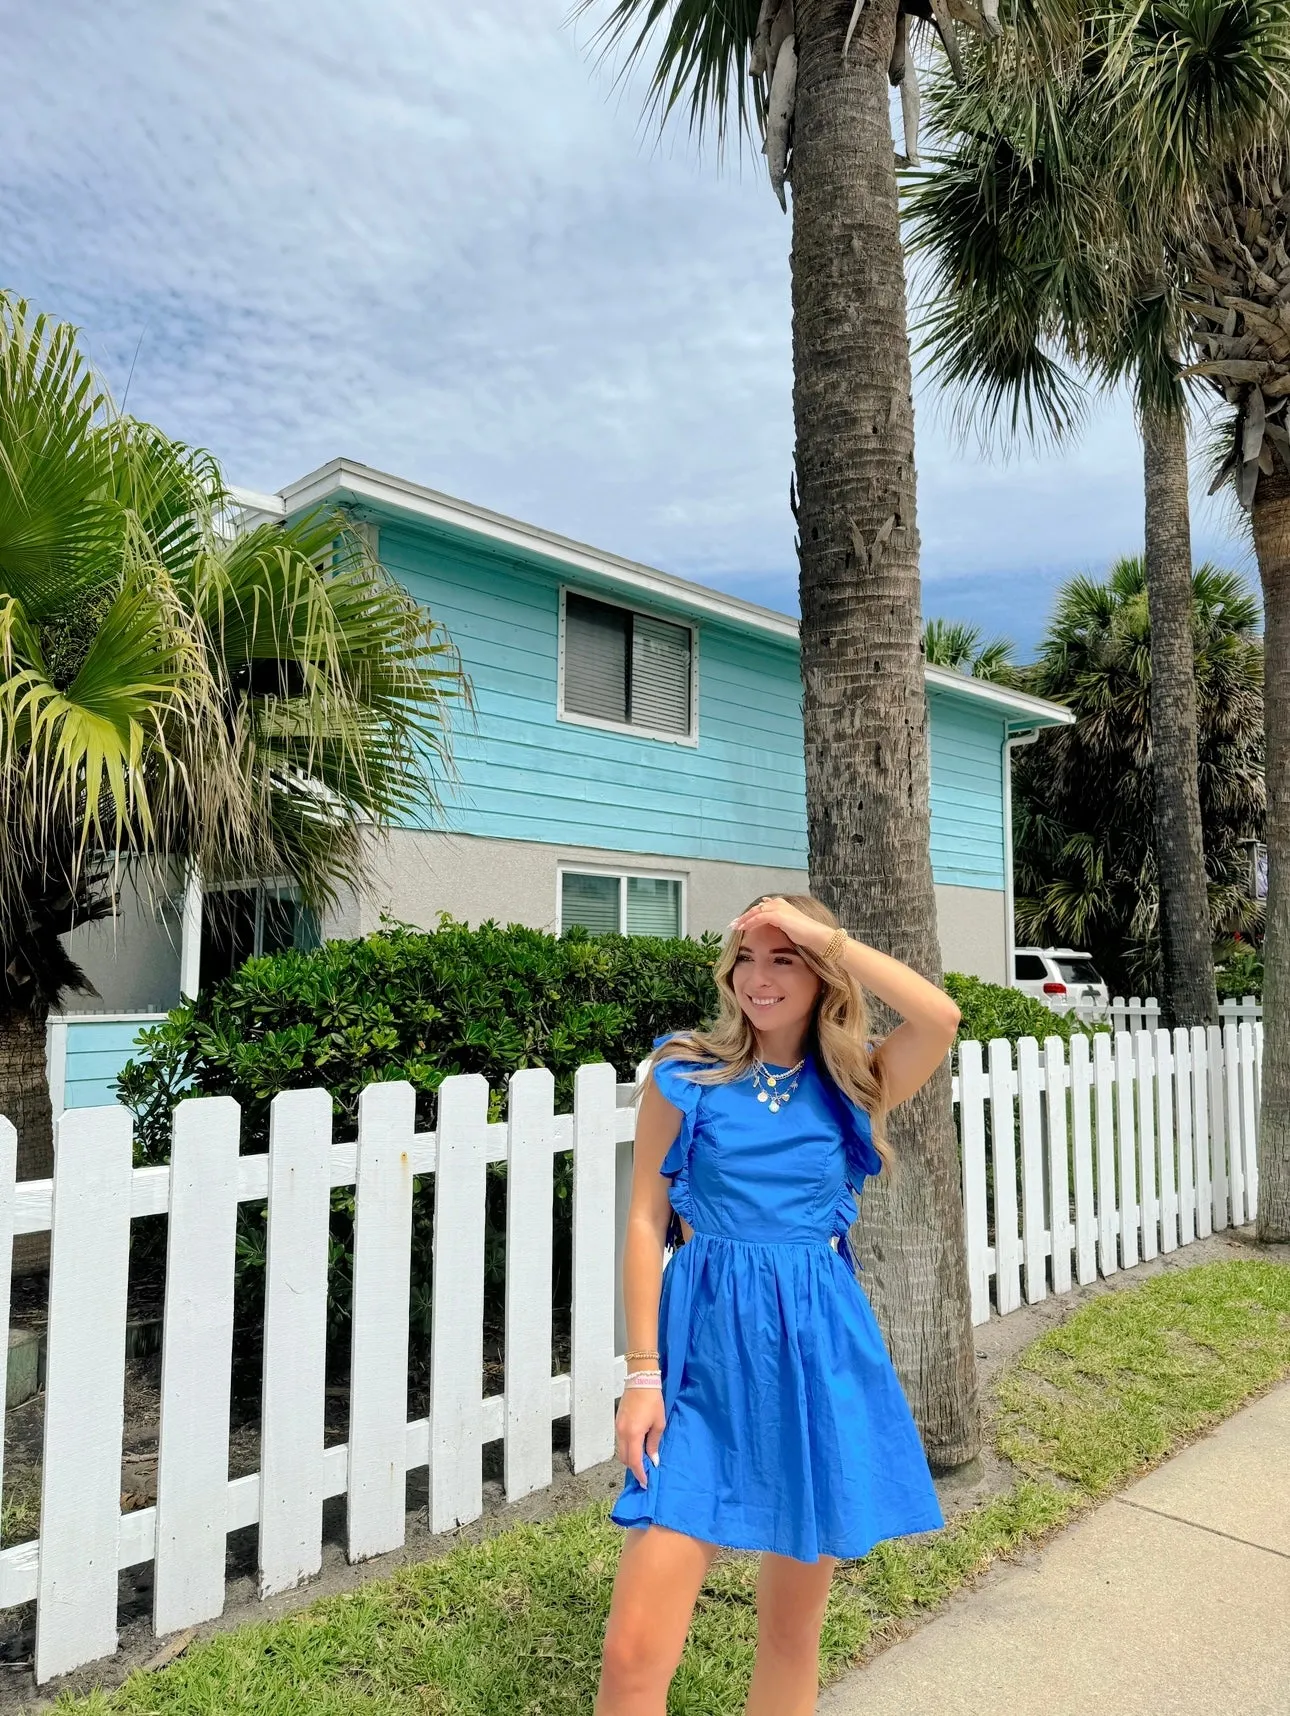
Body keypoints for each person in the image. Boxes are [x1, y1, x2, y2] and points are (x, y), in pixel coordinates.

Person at [594, 893, 962, 1716]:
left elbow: (939, 1017)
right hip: (700, 1364)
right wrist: (642, 1375)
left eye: (783, 957)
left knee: (792, 1634)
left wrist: (827, 933)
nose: (758, 977)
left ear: (821, 970)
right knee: (631, 1654)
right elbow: (647, 1222)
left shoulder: (853, 1083)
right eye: (747, 957)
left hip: (814, 1356)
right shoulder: (685, 1074)